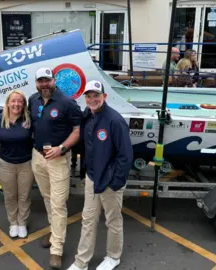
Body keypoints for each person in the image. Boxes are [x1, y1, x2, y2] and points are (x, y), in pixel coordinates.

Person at [67, 80, 133, 270]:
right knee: (88, 219)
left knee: (113, 220)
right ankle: (82, 261)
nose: (92, 99)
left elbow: (125, 156)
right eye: (89, 96)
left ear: (105, 96)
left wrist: (116, 183)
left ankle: (113, 256)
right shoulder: (87, 115)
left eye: (96, 95)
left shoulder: (115, 120)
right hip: (92, 177)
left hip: (109, 181)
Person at [28, 67, 83, 269]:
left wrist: (61, 148)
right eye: (40, 81)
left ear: (54, 81)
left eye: (47, 80)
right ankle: (54, 230)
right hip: (38, 157)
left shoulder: (67, 103)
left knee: (59, 203)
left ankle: (56, 249)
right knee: (48, 198)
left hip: (58, 159)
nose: (44, 84)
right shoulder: (32, 100)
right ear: (36, 83)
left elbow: (77, 131)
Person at [0, 90, 34, 238]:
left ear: (24, 104)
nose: (16, 104)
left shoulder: (29, 119)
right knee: (10, 196)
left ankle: (22, 222)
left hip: (26, 163)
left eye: (20, 101)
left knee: (24, 196)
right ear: (8, 103)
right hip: (5, 163)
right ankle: (13, 223)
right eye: (13, 101)